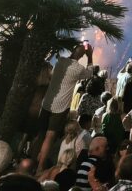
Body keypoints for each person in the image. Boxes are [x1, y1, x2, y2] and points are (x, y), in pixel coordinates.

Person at [37, 43, 94, 171]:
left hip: (47, 102)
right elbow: (90, 73)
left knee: (40, 134)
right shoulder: (78, 69)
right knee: (50, 136)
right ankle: (40, 167)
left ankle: (31, 159)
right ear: (82, 56)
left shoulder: (60, 61)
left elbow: (63, 62)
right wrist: (90, 56)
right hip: (60, 106)